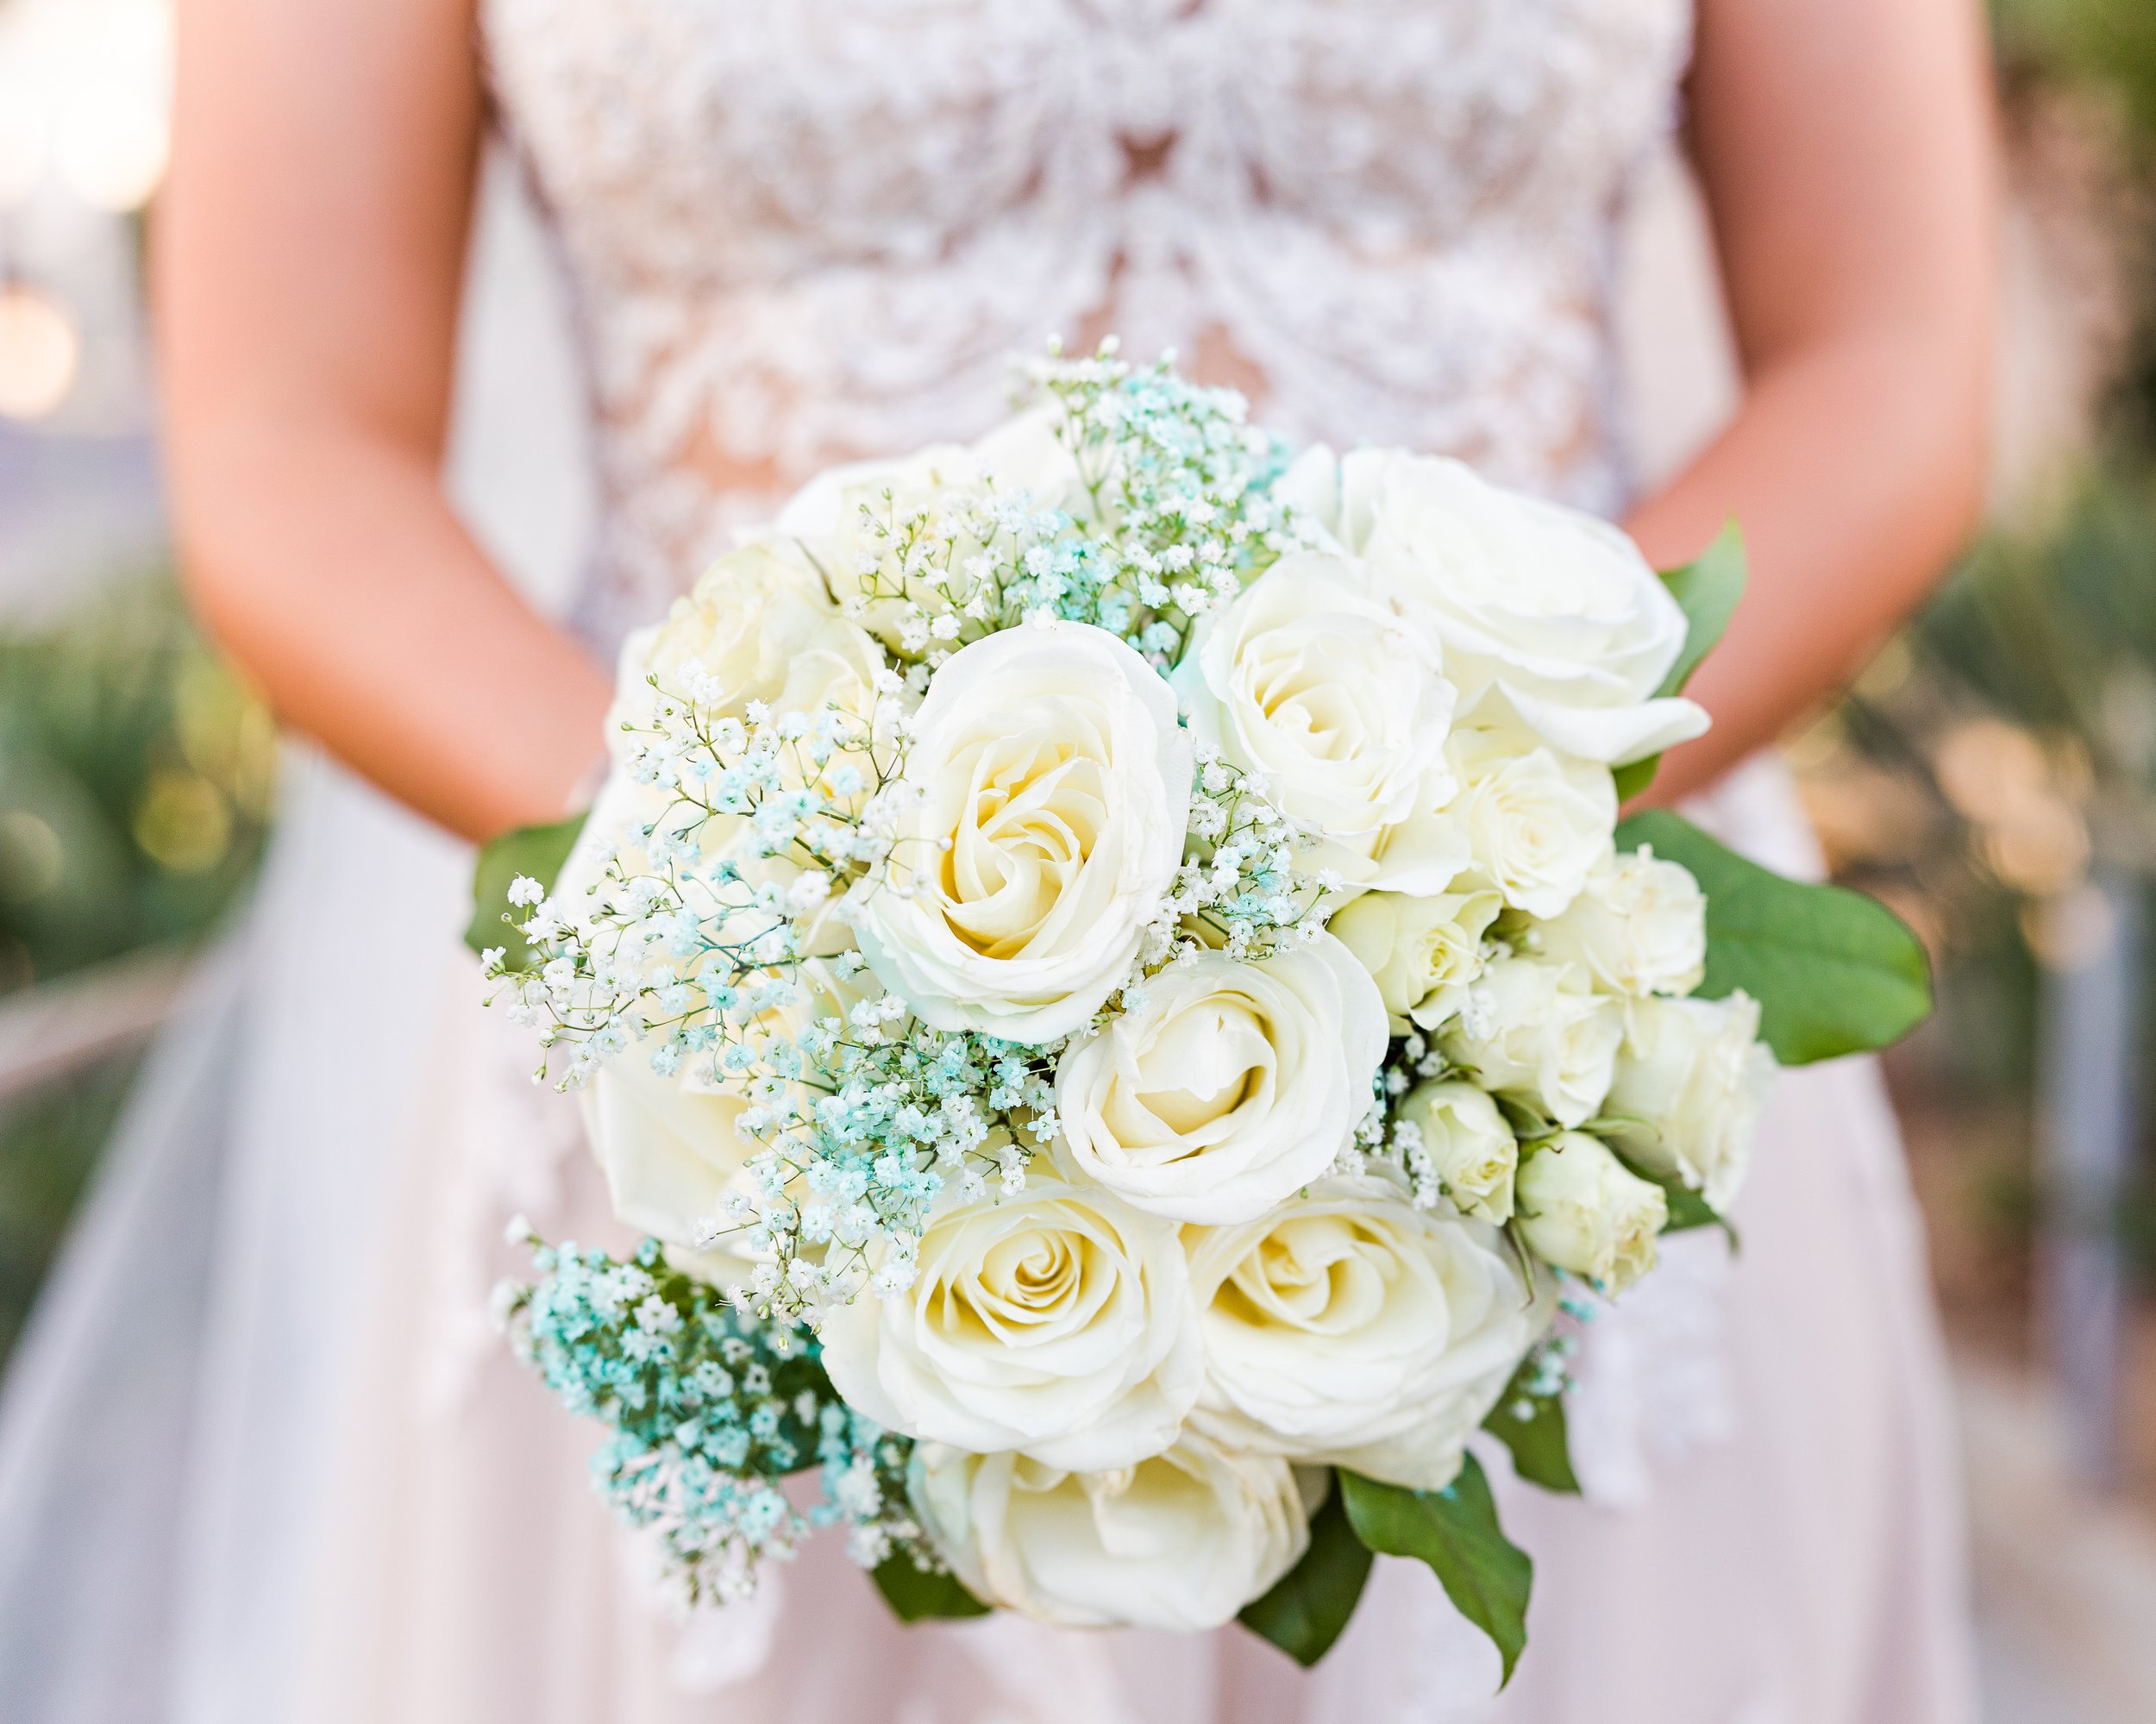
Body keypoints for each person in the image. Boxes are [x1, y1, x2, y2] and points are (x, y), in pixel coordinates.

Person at [0, 1, 1996, 1720]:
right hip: (729, 1076)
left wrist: (1455, 848)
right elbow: (293, 445)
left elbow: (1884, 355)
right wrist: (776, 916)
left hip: (1534, 1045)